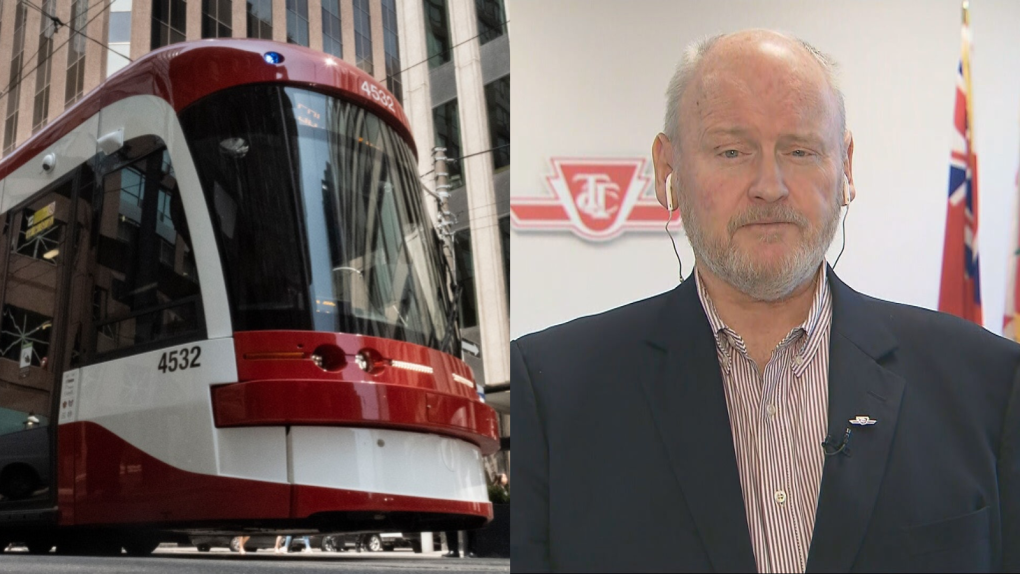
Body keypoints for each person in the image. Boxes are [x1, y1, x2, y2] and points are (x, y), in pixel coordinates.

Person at [511, 29, 1020, 573]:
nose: (769, 185)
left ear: (845, 166)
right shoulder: (553, 394)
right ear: (669, 168)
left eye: (799, 150)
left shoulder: (988, 384)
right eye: (732, 151)